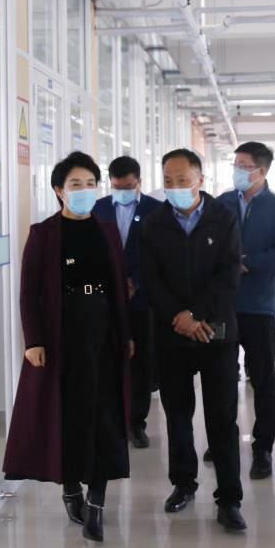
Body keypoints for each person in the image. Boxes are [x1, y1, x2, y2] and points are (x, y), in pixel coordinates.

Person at [1, 151, 133, 544]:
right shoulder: (44, 234)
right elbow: (29, 293)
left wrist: (126, 334)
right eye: (76, 184)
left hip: (103, 330)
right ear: (60, 190)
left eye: (91, 184)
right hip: (62, 333)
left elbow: (118, 287)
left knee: (104, 413)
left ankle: (97, 500)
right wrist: (34, 341)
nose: (84, 190)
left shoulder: (107, 231)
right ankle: (71, 486)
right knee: (69, 414)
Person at [139, 148, 247, 532]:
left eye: (182, 180)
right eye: (168, 180)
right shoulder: (153, 224)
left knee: (222, 417)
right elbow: (150, 278)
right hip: (171, 334)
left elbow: (229, 274)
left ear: (200, 179)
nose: (175, 186)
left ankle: (229, 498)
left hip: (216, 331)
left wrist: (197, 315)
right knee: (177, 414)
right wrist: (179, 317)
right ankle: (183, 484)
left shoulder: (223, 217)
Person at [217, 141, 275, 480]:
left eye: (243, 165)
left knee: (263, 379)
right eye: (235, 164)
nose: (237, 170)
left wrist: (244, 263)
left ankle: (263, 447)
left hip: (259, 307)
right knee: (221, 377)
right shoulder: (220, 204)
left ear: (261, 171)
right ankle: (222, 438)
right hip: (222, 306)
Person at [93, 156, 164, 449]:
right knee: (108, 358)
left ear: (139, 182)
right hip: (106, 298)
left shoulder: (155, 210)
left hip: (141, 299)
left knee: (141, 361)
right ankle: (111, 422)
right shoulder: (97, 209)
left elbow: (160, 255)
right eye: (117, 187)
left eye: (128, 186)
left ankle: (136, 423)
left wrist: (136, 281)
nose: (122, 191)